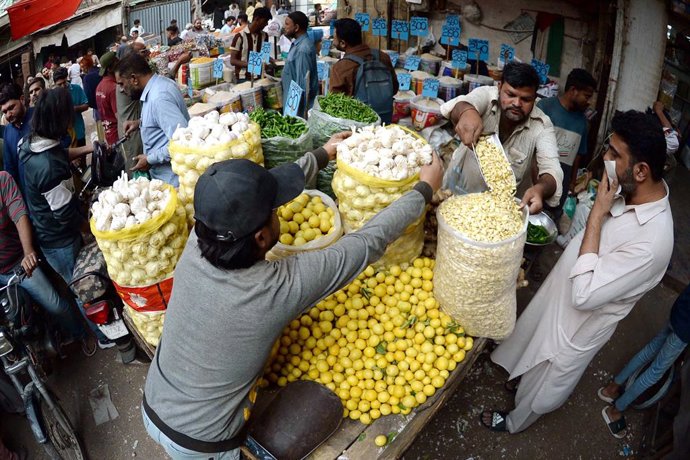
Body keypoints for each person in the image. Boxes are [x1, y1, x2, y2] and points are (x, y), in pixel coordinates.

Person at [141, 132, 444, 459]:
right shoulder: (275, 289)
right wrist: (423, 190)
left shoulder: (196, 243)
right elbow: (365, 244)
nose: (278, 209)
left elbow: (257, 193)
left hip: (153, 403)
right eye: (274, 209)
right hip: (202, 444)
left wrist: (323, 153)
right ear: (261, 237)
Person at [482, 110, 673, 434]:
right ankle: (522, 380)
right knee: (532, 346)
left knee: (546, 387)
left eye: (614, 153)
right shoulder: (632, 190)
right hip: (560, 296)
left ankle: (515, 421)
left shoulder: (652, 243)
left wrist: (597, 212)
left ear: (641, 171)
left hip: (577, 324)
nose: (605, 158)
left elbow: (584, 295)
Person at [18, 88, 111, 348]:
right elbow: (64, 214)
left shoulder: (33, 142)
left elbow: (60, 152)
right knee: (83, 287)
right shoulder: (48, 168)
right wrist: (90, 229)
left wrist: (90, 148)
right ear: (60, 119)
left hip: (51, 231)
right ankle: (102, 337)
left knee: (81, 282)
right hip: (58, 240)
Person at [441, 61, 563, 214]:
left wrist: (540, 189)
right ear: (499, 88)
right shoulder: (487, 95)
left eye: (526, 99)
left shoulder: (542, 125)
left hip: (500, 213)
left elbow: (552, 169)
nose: (517, 103)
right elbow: (462, 105)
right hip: (458, 192)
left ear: (535, 98)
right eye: (510, 95)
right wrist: (467, 112)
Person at [0, 170, 92, 353]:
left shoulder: (3, 180)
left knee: (55, 305)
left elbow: (19, 215)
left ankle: (79, 334)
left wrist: (28, 252)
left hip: (18, 264)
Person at [598, 283, 690, 438]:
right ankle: (615, 411)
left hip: (679, 311)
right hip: (684, 330)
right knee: (655, 372)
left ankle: (611, 389)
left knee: (651, 349)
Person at [115, 52, 189, 186]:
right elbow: (161, 120)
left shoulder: (159, 98)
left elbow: (182, 141)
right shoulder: (158, 86)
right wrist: (139, 123)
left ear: (133, 79)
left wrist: (149, 159)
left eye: (121, 84)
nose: (121, 90)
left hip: (174, 181)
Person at [537, 68, 596, 204]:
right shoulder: (545, 108)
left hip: (560, 189)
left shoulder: (582, 122)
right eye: (586, 96)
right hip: (536, 182)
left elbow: (578, 155)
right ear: (573, 90)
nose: (589, 102)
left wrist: (572, 182)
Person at [329, 18, 398, 124]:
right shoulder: (383, 56)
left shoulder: (340, 67)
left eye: (334, 38)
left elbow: (335, 105)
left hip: (359, 129)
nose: (333, 41)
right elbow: (394, 88)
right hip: (384, 123)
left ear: (343, 43)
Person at [115, 46, 144, 175]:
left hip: (130, 127)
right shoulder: (126, 84)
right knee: (135, 165)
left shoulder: (123, 81)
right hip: (131, 133)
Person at [282, 11, 318, 115]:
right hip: (292, 103)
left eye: (287, 24)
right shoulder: (298, 44)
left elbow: (302, 85)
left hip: (296, 109)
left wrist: (295, 115)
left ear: (296, 27)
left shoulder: (303, 49)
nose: (285, 27)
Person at [230, 8, 272, 81]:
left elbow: (265, 56)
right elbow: (233, 61)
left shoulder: (265, 36)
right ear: (257, 19)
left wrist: (273, 62)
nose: (266, 24)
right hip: (243, 78)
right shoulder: (239, 37)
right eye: (265, 21)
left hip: (260, 76)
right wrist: (251, 65)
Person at [95, 52, 119, 146]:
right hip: (117, 135)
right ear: (110, 68)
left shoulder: (99, 87)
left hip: (108, 133)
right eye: (116, 62)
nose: (119, 63)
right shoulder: (113, 88)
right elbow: (119, 116)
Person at [81, 54, 102, 121]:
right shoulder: (100, 70)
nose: (81, 69)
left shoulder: (87, 78)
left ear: (85, 67)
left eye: (82, 67)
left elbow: (88, 98)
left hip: (97, 107)